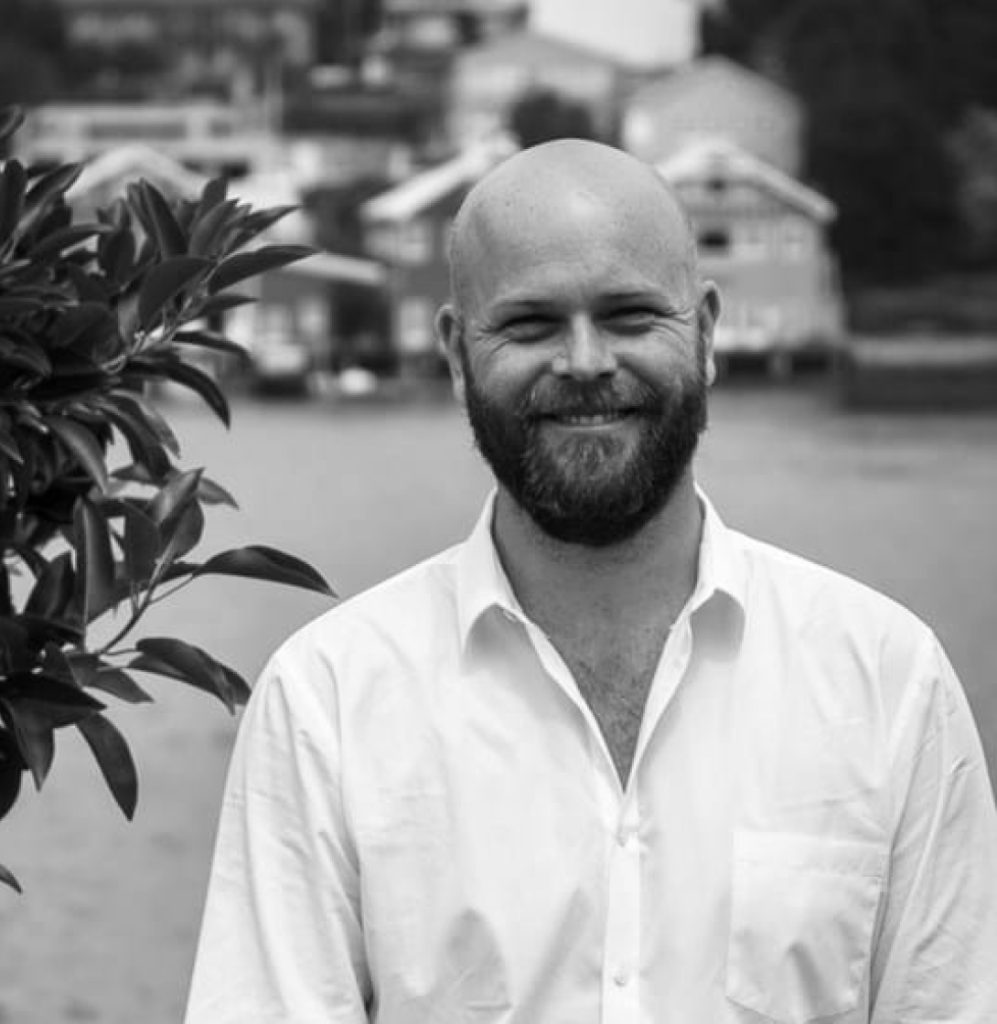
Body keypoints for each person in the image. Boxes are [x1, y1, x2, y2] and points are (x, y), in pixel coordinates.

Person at [184, 140, 997, 1023]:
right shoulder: (326, 703)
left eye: (628, 315)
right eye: (530, 325)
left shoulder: (886, 681)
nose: (582, 362)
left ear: (706, 334)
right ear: (457, 353)